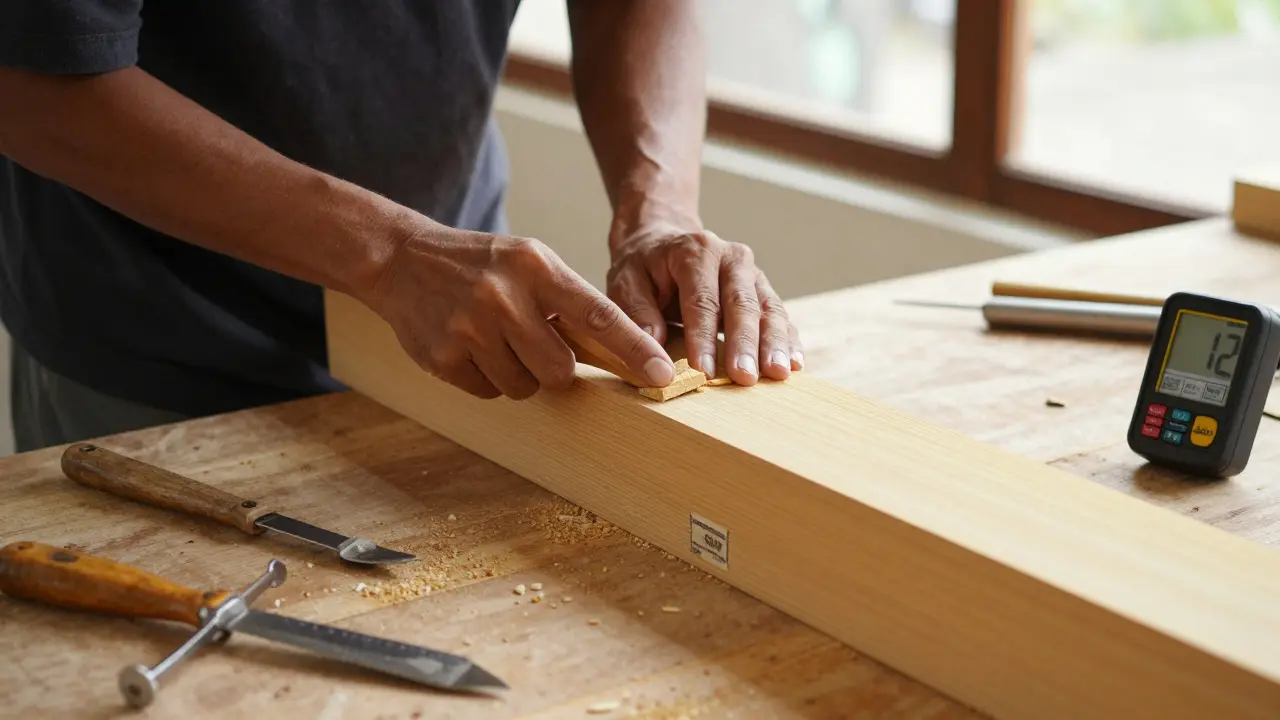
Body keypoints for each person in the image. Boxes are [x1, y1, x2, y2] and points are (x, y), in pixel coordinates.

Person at [0, 1, 803, 454]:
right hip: (159, 334)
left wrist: (654, 212)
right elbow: (29, 82)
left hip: (454, 322)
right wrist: (387, 252)